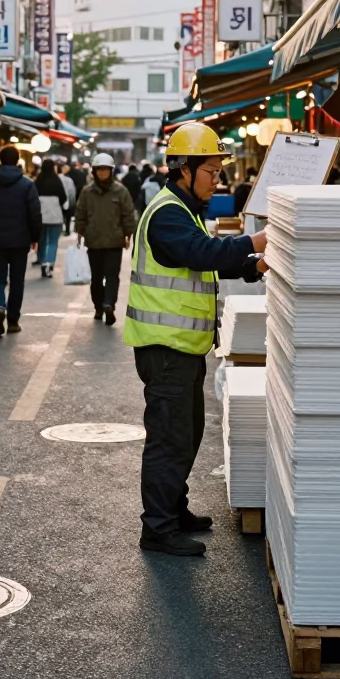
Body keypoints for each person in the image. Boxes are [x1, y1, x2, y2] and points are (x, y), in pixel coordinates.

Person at [124, 123, 268, 558]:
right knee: (169, 438)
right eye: (211, 171)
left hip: (183, 348)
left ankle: (174, 508)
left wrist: (252, 265)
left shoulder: (184, 211)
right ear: (184, 169)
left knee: (187, 433)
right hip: (164, 348)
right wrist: (257, 241)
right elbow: (202, 254)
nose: (216, 180)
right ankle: (158, 527)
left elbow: (203, 264)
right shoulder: (168, 212)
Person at [0, 145, 42, 337]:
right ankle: (13, 321)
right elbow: (35, 214)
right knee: (17, 282)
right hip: (20, 242)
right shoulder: (27, 185)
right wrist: (35, 237)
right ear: (18, 159)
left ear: (0, 160)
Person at [75, 152, 137, 325]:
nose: (103, 173)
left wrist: (128, 234)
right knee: (96, 278)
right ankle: (98, 307)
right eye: (100, 170)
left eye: (106, 170)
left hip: (114, 242)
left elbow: (128, 215)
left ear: (111, 171)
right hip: (93, 242)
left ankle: (109, 304)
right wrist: (79, 233)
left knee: (112, 276)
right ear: (95, 171)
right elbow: (80, 213)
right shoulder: (87, 192)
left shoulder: (121, 191)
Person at [35, 158, 67, 278]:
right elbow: (63, 198)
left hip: (40, 217)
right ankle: (49, 264)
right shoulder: (57, 180)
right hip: (55, 216)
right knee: (53, 241)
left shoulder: (38, 181)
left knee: (41, 241)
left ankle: (42, 262)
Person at [59, 163, 77, 236]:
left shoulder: (58, 178)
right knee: (68, 217)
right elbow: (73, 192)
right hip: (68, 201)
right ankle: (67, 230)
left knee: (61, 216)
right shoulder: (70, 180)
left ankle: (61, 230)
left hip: (61, 201)